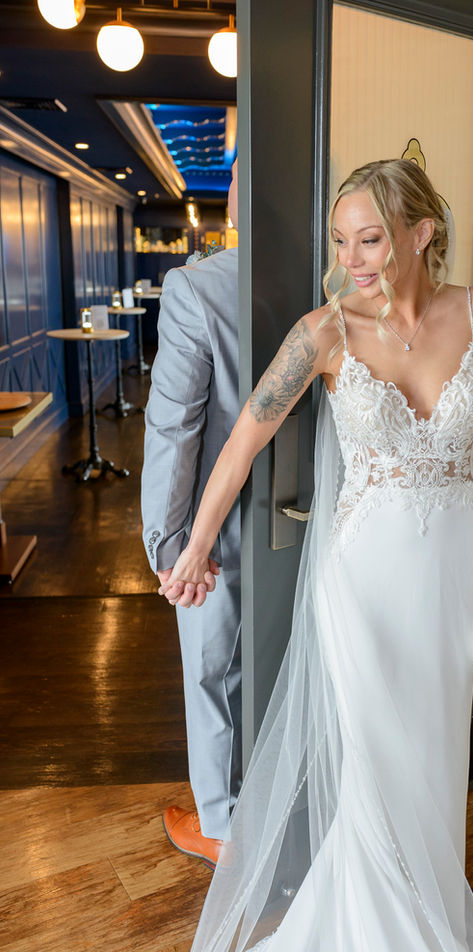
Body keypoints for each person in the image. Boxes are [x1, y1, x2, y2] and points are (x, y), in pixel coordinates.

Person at [159, 159, 473, 951]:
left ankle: (422, 908)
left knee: (432, 757)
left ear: (421, 233)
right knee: (375, 763)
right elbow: (240, 446)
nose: (351, 258)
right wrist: (190, 548)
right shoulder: (323, 333)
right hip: (364, 576)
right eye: (341, 240)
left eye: (370, 239)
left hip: (455, 568)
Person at [141, 160, 241, 870]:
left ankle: (221, 824)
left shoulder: (196, 287)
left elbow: (175, 426)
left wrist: (169, 544)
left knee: (213, 675)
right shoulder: (346, 287)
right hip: (326, 517)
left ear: (236, 201)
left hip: (219, 528)